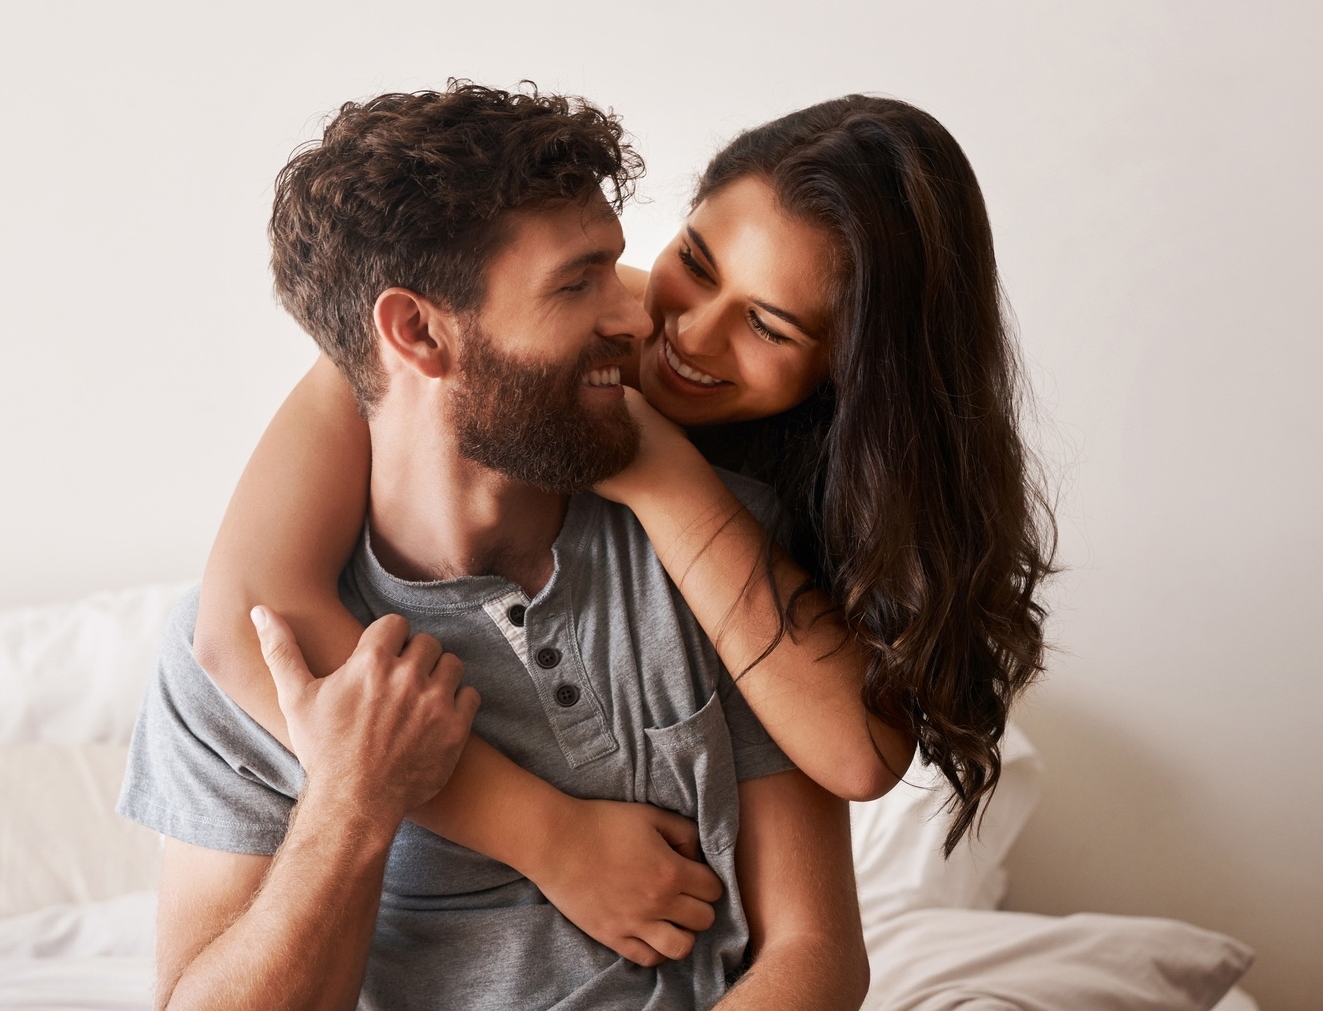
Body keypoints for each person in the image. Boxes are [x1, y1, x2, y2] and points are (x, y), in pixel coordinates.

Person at [191, 93, 1055, 963]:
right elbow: (242, 622)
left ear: (853, 373)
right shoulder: (489, 339)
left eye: (767, 326)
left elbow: (859, 754)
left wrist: (661, 473)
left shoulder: (818, 479)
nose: (681, 333)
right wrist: (551, 836)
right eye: (696, 261)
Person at [118, 83, 865, 1010]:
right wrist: (354, 800)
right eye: (577, 283)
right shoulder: (262, 657)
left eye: (617, 268)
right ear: (416, 331)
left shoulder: (712, 559)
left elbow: (815, 954)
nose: (642, 320)